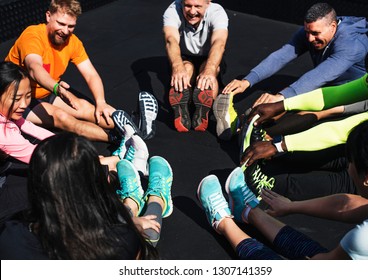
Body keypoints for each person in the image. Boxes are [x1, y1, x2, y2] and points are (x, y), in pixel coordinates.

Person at [198, 112, 368, 259]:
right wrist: (292, 206)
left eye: (351, 162)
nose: (348, 167)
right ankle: (250, 212)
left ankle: (223, 223)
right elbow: (350, 205)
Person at [0, 132, 174, 259]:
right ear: (94, 185)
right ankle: (157, 198)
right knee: (146, 234)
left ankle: (132, 203)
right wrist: (127, 227)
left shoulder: (10, 237)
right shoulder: (118, 242)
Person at [5, 0, 158, 142]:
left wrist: (101, 102)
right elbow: (34, 68)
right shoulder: (32, 35)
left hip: (48, 91)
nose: (65, 31)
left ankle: (134, 126)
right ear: (48, 16)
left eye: (70, 26)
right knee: (63, 118)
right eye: (61, 23)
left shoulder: (73, 42)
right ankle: (121, 139)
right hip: (18, 98)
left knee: (87, 108)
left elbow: (91, 75)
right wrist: (58, 89)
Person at [215, 2, 368, 140]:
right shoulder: (313, 30)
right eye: (307, 32)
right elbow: (281, 56)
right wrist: (248, 80)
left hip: (360, 95)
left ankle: (264, 136)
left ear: (333, 27)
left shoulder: (351, 44)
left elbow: (321, 75)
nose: (310, 39)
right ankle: (245, 122)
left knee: (310, 106)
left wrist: (281, 98)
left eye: (315, 34)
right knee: (289, 97)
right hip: (330, 85)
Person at [241, 37, 368, 172]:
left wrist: (278, 146)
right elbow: (331, 96)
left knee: (349, 172)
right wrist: (281, 105)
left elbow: (343, 130)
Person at [0, 61, 54, 228]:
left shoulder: (8, 113)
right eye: (17, 99)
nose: (24, 104)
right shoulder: (2, 133)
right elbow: (36, 155)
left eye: (28, 96)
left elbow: (33, 129)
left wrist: (72, 145)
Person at [163, 0, 228, 132]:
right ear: (181, 3)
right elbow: (171, 40)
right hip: (184, 56)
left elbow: (219, 42)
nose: (192, 12)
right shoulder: (172, 10)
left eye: (197, 6)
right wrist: (177, 67)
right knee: (185, 69)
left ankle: (203, 111)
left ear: (208, 3)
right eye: (188, 6)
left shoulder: (218, 12)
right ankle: (188, 110)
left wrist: (210, 70)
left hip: (209, 56)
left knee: (209, 75)